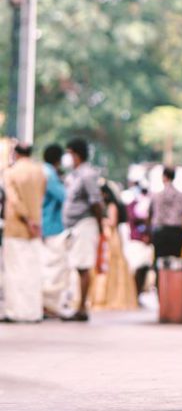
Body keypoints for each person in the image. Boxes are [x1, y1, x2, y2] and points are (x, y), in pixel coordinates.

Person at [62, 138, 104, 322]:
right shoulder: (76, 175)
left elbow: (96, 202)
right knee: (79, 267)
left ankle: (82, 308)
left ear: (76, 154)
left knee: (84, 266)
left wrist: (100, 225)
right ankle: (79, 306)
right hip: (77, 225)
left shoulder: (87, 174)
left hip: (85, 224)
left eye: (70, 153)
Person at [3, 142, 46, 322]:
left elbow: (13, 199)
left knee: (14, 271)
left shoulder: (10, 173)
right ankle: (34, 312)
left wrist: (27, 219)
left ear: (16, 154)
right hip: (35, 228)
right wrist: (34, 221)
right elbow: (41, 197)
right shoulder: (40, 172)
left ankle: (16, 312)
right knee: (33, 271)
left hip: (16, 228)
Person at [90, 181, 138, 311]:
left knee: (112, 263)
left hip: (111, 237)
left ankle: (112, 297)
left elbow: (112, 222)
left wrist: (101, 220)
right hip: (107, 236)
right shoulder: (106, 205)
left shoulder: (111, 206)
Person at [41, 143, 70, 319]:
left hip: (42, 224)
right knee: (53, 269)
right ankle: (49, 305)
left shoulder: (41, 171)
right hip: (52, 226)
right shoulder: (50, 174)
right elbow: (64, 196)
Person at [149, 167, 182, 273]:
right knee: (175, 265)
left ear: (164, 177)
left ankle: (160, 287)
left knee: (159, 265)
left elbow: (150, 216)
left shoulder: (155, 196)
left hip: (160, 232)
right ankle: (174, 287)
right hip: (176, 233)